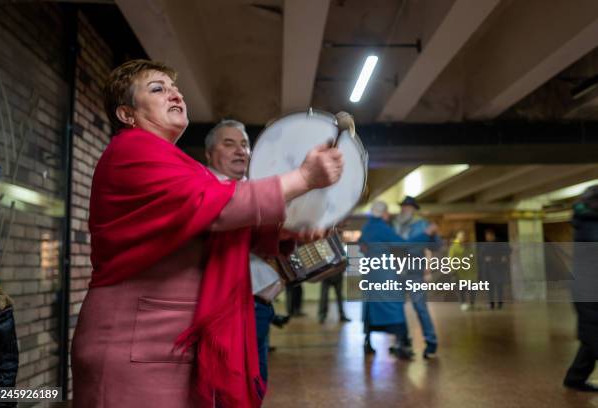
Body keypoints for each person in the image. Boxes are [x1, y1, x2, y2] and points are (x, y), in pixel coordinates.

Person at [70, 59, 343, 408]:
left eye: (175, 87)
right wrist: (303, 179)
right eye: (158, 88)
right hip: (133, 343)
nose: (175, 94)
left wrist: (293, 229)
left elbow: (221, 222)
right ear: (127, 113)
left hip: (165, 342)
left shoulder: (180, 163)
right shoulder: (131, 150)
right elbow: (213, 205)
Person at [204, 118, 288, 384]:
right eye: (229, 144)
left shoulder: (253, 188)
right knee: (229, 389)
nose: (240, 150)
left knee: (255, 386)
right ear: (209, 154)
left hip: (258, 307)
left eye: (244, 145)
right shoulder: (205, 187)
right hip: (229, 310)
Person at [359, 201, 413, 360]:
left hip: (369, 272)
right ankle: (400, 343)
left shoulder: (366, 227)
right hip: (383, 271)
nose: (388, 215)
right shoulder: (383, 228)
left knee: (371, 304)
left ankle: (367, 342)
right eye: (387, 213)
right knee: (394, 304)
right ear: (382, 214)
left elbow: (361, 246)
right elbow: (402, 244)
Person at [393, 196, 441, 359]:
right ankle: (402, 342)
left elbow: (436, 246)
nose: (404, 209)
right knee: (396, 308)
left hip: (414, 273)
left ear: (414, 209)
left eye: (407, 207)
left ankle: (431, 343)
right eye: (402, 206)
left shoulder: (422, 225)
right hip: (397, 271)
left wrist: (433, 235)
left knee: (420, 308)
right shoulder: (395, 225)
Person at [564, 185, 598, 392]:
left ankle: (575, 377)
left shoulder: (587, 222)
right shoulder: (591, 226)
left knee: (591, 335)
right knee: (593, 334)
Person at [478, 229, 509, 310]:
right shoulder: (484, 246)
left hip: (498, 268)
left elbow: (508, 250)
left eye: (490, 235)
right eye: (487, 236)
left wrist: (504, 257)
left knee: (499, 286)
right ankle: (491, 303)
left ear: (493, 236)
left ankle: (500, 303)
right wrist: (485, 259)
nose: (488, 237)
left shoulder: (500, 244)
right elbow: (480, 256)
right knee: (490, 287)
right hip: (489, 269)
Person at [449, 230, 477, 311]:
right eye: (460, 237)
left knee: (472, 289)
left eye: (463, 237)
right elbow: (450, 259)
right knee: (461, 290)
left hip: (470, 271)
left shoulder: (469, 247)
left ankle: (472, 303)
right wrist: (452, 269)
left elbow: (473, 259)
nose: (462, 238)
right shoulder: (454, 247)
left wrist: (475, 270)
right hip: (459, 272)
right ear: (458, 238)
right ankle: (463, 303)